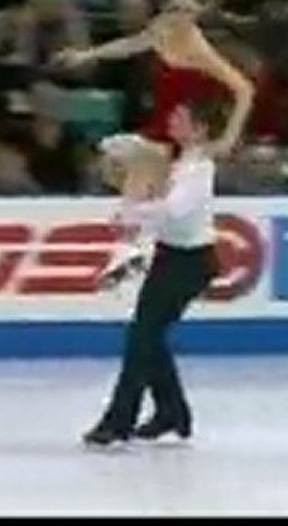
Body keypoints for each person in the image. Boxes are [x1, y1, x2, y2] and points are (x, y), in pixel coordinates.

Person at [81, 98, 224, 447]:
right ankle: (171, 413)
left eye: (181, 116)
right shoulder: (176, 162)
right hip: (171, 257)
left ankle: (119, 422)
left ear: (201, 129)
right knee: (148, 337)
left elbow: (175, 211)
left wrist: (133, 214)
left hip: (191, 263)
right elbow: (120, 149)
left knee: (142, 338)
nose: (172, 120)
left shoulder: (199, 169)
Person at [54, 0, 254, 192]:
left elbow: (245, 89)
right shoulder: (161, 28)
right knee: (110, 164)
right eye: (173, 9)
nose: (178, 17)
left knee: (143, 175)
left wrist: (228, 139)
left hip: (187, 130)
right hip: (162, 125)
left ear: (197, 14)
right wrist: (87, 55)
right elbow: (132, 44)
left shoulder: (200, 51)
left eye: (187, 11)